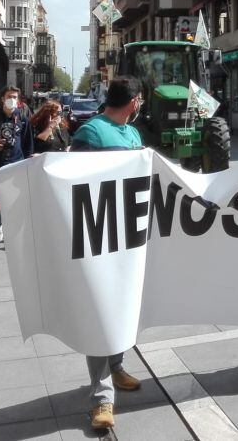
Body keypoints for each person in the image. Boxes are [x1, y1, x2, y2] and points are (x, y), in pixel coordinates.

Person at [70, 77, 145, 430]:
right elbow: (74, 181)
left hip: (128, 237)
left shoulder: (132, 134)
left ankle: (117, 368)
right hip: (97, 237)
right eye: (140, 100)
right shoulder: (91, 133)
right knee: (98, 314)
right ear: (133, 101)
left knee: (120, 308)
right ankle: (101, 399)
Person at [0, 85, 34, 243]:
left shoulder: (22, 118)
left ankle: (14, 228)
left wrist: (29, 159)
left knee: (17, 199)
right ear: (2, 99)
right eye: (9, 96)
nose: (12, 100)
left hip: (17, 163)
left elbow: (28, 141)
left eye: (15, 97)